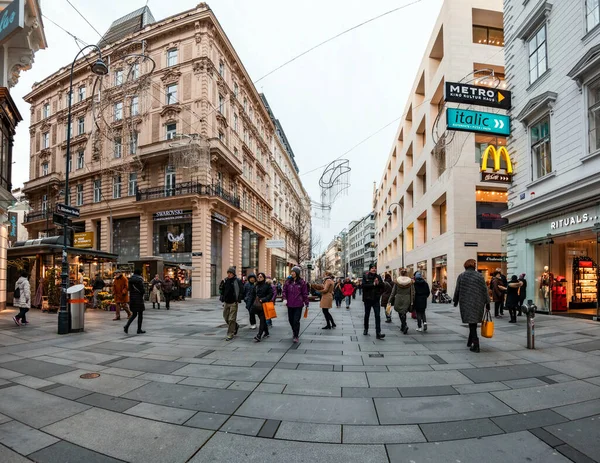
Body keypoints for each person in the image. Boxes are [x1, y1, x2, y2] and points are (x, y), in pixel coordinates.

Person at [453, 259, 491, 353]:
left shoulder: (462, 276)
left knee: (471, 323)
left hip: (466, 303)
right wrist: (487, 302)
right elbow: (484, 289)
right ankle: (470, 342)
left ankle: (476, 344)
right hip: (478, 302)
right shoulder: (479, 276)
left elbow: (457, 289)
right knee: (473, 322)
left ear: (465, 266)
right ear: (473, 266)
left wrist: (455, 300)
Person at [283, 266, 309, 343]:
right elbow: (284, 291)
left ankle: (296, 335)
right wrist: (284, 299)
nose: (292, 273)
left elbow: (305, 293)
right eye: (291, 272)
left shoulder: (302, 282)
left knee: (296, 320)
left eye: (293, 272)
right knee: (290, 320)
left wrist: (306, 302)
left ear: (297, 273)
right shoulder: (288, 282)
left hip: (298, 304)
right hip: (290, 304)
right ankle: (294, 331)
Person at [219, 267, 244, 341]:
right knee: (225, 317)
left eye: (230, 273)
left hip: (233, 302)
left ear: (233, 274)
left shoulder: (237, 281)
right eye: (228, 273)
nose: (229, 274)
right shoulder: (225, 280)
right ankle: (235, 326)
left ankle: (230, 334)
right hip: (226, 302)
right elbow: (222, 290)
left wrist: (239, 299)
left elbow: (241, 290)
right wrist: (221, 288)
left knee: (231, 319)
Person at [362, 264, 385, 339]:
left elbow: (382, 286)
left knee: (377, 315)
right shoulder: (365, 276)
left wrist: (378, 285)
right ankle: (366, 329)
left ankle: (378, 332)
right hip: (367, 299)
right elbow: (364, 286)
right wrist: (373, 284)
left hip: (376, 299)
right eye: (372, 268)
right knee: (367, 315)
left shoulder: (378, 277)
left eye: (375, 268)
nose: (374, 269)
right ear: (369, 269)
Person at [389, 268, 414, 334]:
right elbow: (413, 292)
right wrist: (412, 300)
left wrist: (390, 300)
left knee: (400, 312)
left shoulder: (397, 281)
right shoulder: (410, 281)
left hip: (399, 298)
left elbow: (393, 292)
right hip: (407, 298)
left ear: (400, 273)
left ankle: (404, 325)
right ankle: (403, 325)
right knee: (404, 312)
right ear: (406, 273)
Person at [251, 273, 274, 342]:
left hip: (264, 305)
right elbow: (252, 295)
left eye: (261, 276)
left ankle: (259, 335)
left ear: (264, 278)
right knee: (262, 320)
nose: (259, 278)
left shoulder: (267, 285)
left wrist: (263, 299)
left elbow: (270, 294)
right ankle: (266, 332)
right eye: (258, 276)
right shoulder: (256, 285)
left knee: (262, 320)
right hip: (257, 305)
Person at [124, 268, 146, 334]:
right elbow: (142, 289)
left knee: (134, 314)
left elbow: (129, 288)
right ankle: (139, 329)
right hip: (138, 298)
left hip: (132, 298)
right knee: (140, 314)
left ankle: (127, 326)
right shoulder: (140, 279)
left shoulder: (130, 279)